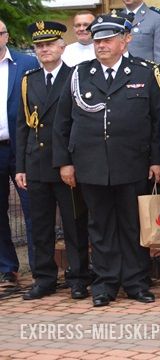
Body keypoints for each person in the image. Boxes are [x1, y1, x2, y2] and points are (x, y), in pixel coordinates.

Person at [53, 14, 160, 307]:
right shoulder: (79, 74)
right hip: (91, 164)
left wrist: (156, 160)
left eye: (107, 39)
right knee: (100, 227)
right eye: (97, 40)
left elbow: (157, 121)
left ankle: (137, 282)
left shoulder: (144, 72)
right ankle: (105, 284)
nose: (100, 45)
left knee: (132, 225)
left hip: (132, 162)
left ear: (125, 39)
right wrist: (64, 162)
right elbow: (62, 123)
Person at [15, 22, 89, 299]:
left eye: (49, 44)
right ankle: (44, 278)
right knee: (41, 226)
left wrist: (70, 161)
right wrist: (20, 166)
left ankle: (79, 276)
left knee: (74, 224)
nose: (44, 50)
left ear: (62, 47)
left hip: (66, 165)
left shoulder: (75, 76)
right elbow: (22, 125)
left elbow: (78, 123)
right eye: (39, 46)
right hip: (36, 164)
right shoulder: (28, 80)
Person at [0, 19, 38, 288]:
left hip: (22, 147)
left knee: (33, 208)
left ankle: (40, 268)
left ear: (7, 36)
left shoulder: (26, 63)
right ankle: (7, 268)